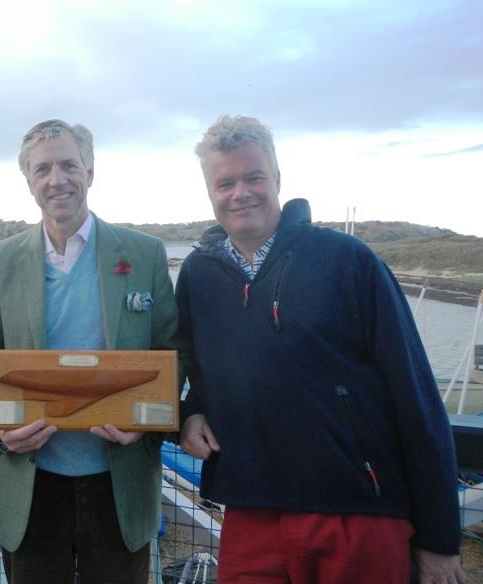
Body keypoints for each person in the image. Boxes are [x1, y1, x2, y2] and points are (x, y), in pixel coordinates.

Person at [177, 115, 465, 584]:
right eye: (224, 183)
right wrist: (191, 411)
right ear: (210, 191)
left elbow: (415, 396)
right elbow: (199, 369)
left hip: (358, 510)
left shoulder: (348, 260)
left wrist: (439, 538)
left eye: (253, 178)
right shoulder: (198, 274)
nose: (240, 193)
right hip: (251, 510)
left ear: (277, 179)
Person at [0, 119, 177, 583]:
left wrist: (145, 428)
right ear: (28, 181)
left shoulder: (144, 253)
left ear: (90, 169)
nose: (57, 179)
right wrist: (2, 437)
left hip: (118, 480)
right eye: (42, 169)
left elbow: (171, 350)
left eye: (68, 164)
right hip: (31, 483)